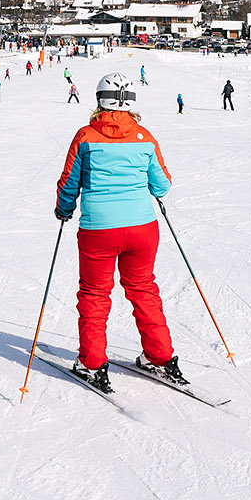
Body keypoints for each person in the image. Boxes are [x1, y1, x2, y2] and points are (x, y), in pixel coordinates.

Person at [52, 75, 184, 394]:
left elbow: (70, 182)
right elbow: (162, 185)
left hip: (99, 228)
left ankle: (93, 363)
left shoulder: (85, 136)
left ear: (100, 100)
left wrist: (64, 209)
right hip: (141, 228)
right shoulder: (145, 137)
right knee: (142, 289)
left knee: (95, 294)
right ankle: (160, 356)